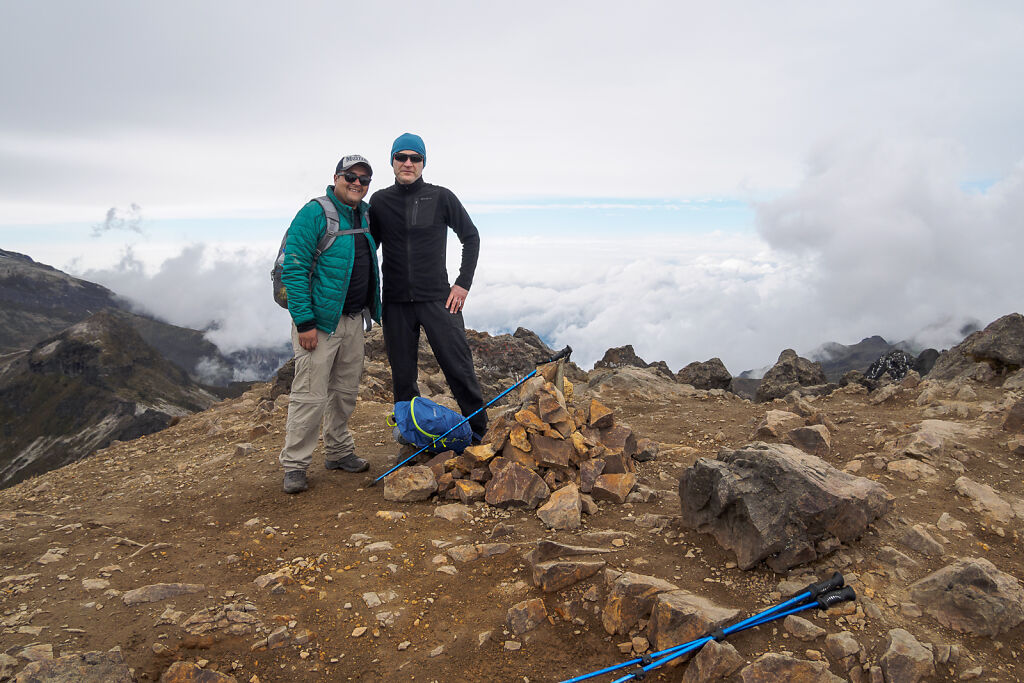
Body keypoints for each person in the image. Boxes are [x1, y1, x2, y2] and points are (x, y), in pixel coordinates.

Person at [369, 133, 487, 440]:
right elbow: (367, 249)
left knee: (458, 366)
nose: (408, 163)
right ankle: (410, 434)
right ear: (392, 162)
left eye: (415, 158)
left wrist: (462, 284)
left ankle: (479, 432)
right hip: (395, 302)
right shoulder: (380, 202)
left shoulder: (441, 196)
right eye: (401, 157)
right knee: (403, 374)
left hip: (438, 298)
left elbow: (471, 237)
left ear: (423, 163)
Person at [278, 154, 381, 494]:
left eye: (363, 180)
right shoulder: (314, 213)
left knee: (345, 393)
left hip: (353, 320)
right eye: (350, 176)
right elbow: (294, 267)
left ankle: (338, 452)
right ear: (336, 177)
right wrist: (304, 321)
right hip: (319, 325)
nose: (357, 183)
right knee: (310, 395)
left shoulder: (363, 214)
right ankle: (295, 465)